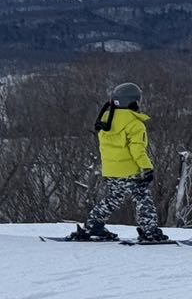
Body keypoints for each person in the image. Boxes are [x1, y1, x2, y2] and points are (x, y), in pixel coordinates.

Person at [72, 82, 169, 244]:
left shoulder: (106, 121)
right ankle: (149, 231)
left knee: (113, 197)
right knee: (143, 198)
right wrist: (147, 167)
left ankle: (94, 224)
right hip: (130, 170)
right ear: (133, 102)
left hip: (111, 169)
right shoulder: (135, 124)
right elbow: (137, 149)